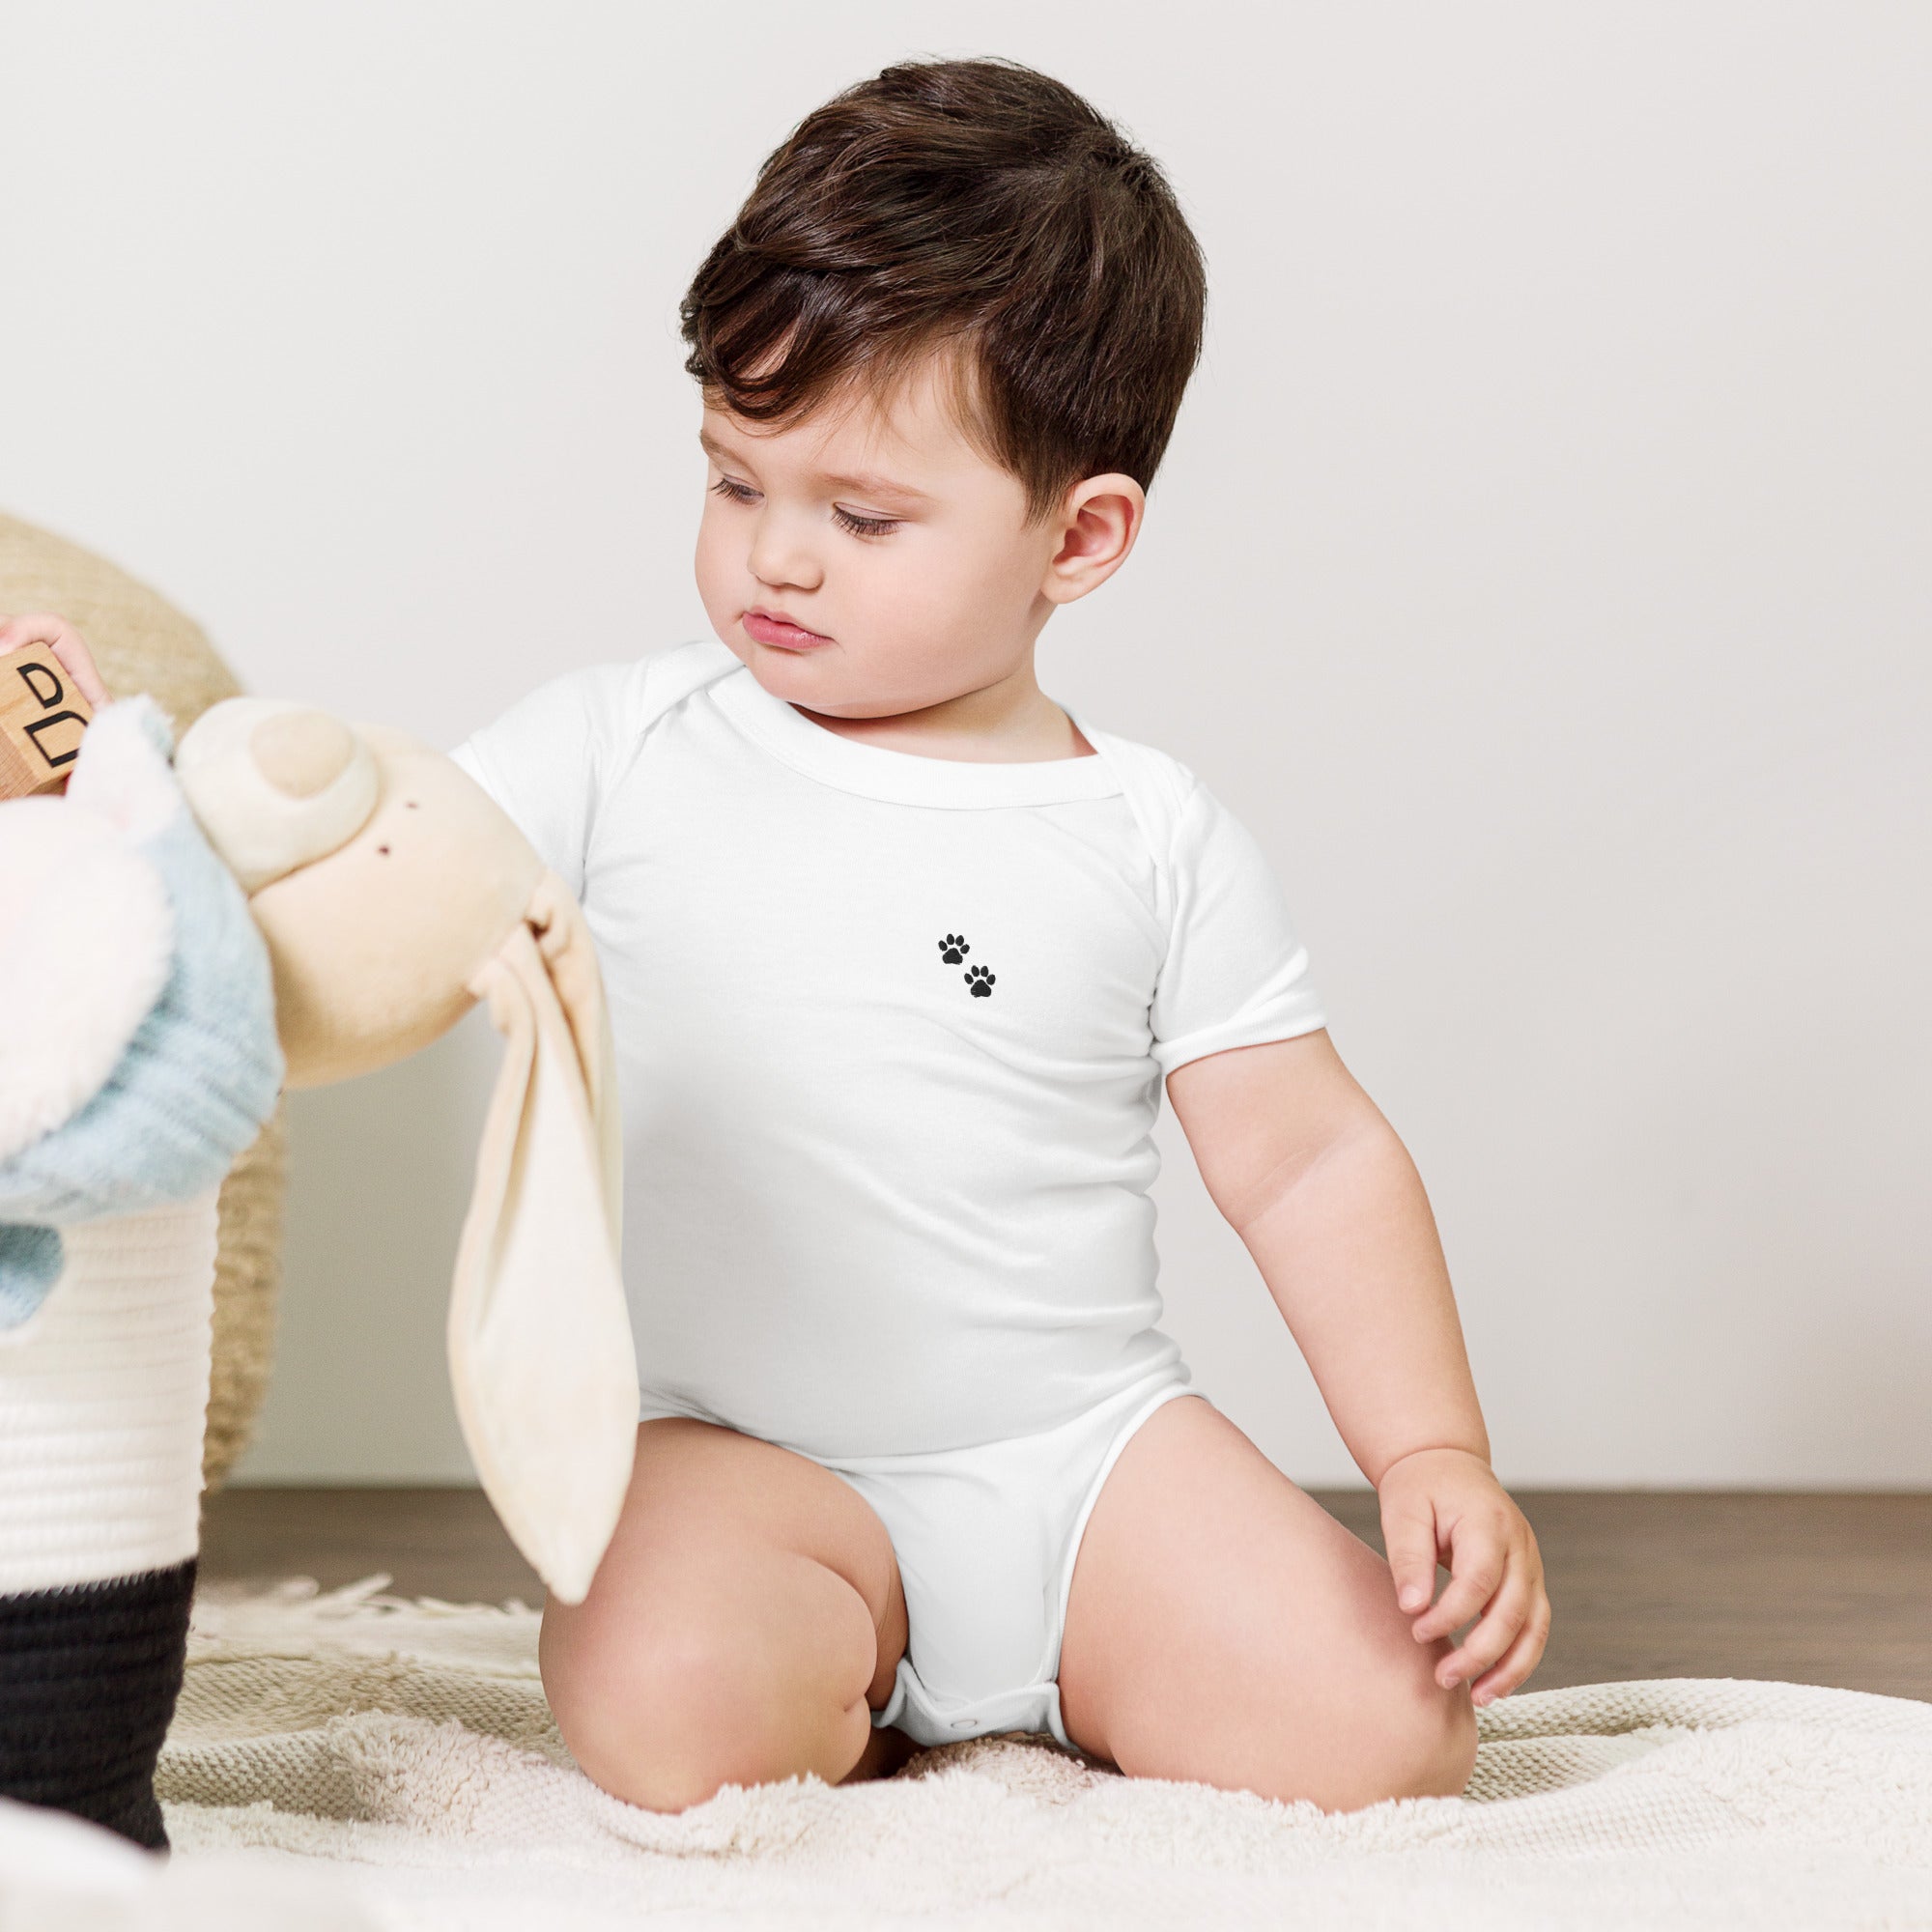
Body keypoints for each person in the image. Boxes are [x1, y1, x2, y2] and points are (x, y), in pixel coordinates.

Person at [4, 54, 1548, 1817]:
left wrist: (1428, 1450)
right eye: (737, 483)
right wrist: (130, 829)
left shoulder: (1149, 835)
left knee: (1390, 1737)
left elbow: (1308, 1164)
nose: (774, 561)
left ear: (1084, 535)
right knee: (660, 1703)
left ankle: (1052, 1671)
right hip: (747, 1459)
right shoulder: (619, 750)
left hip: (1084, 1457)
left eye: (863, 516)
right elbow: (380, 874)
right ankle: (853, 1678)